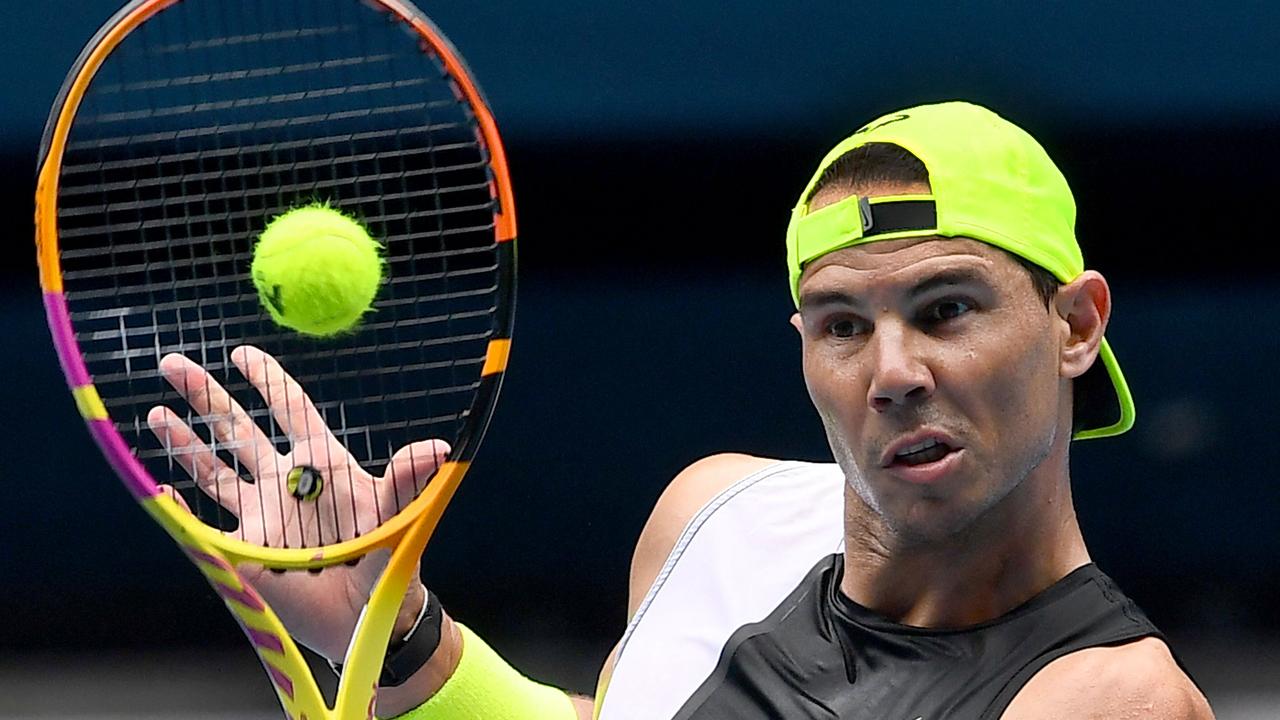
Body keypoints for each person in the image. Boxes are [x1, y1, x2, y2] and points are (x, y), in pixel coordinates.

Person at [156, 101, 1215, 719]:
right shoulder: (716, 517)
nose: (891, 370)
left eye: (945, 309)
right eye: (841, 324)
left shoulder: (1102, 699)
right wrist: (389, 637)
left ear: (1075, 324)